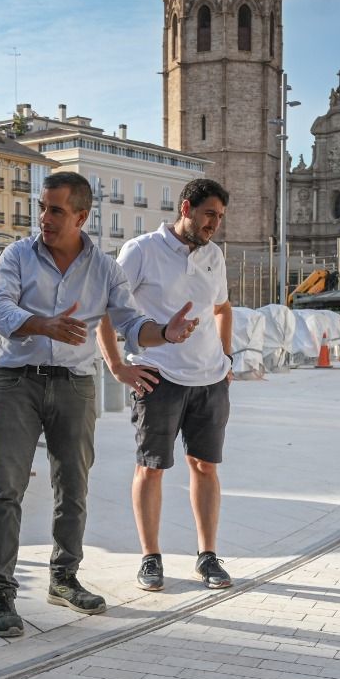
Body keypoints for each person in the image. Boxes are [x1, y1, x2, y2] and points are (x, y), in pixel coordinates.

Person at [0, 170, 198, 638]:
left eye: (55, 210)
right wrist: (42, 325)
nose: (44, 218)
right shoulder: (17, 255)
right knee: (7, 489)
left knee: (73, 489)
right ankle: (1, 592)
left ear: (81, 216)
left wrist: (165, 332)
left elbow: (130, 321)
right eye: (42, 207)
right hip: (17, 382)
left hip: (76, 387)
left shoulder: (104, 269)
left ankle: (63, 577)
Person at [98, 178, 235, 593]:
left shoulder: (215, 255)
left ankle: (207, 556)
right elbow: (107, 309)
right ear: (186, 208)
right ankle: (150, 558)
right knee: (151, 468)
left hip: (210, 379)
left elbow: (223, 308)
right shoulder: (141, 250)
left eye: (220, 218)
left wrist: (227, 358)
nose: (214, 224)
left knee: (206, 467)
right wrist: (118, 366)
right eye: (209, 214)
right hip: (159, 376)